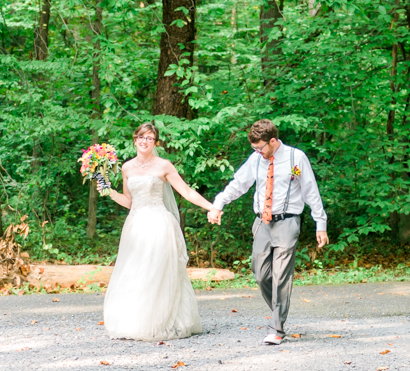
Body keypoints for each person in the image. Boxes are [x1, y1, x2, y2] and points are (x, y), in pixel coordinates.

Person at [208, 119, 328, 345]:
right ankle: (279, 309)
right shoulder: (256, 159)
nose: (257, 152)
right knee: (261, 273)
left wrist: (320, 223)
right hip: (262, 223)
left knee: (281, 276)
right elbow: (239, 184)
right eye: (254, 148)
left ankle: (277, 329)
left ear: (273, 141)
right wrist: (219, 203)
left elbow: (311, 191)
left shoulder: (296, 158)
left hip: (287, 221)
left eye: (260, 147)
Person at [100, 122, 212, 341]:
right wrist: (110, 192)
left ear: (155, 142)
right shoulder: (127, 168)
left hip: (159, 224)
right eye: (141, 137)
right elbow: (129, 201)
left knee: (156, 272)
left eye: (150, 138)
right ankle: (135, 322)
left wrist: (211, 207)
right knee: (135, 272)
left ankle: (158, 322)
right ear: (135, 140)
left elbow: (187, 192)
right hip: (135, 224)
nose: (144, 141)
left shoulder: (164, 166)